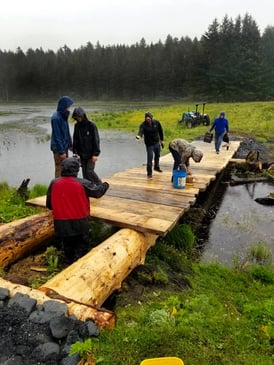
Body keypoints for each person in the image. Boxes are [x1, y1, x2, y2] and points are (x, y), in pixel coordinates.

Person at [46, 157, 109, 264]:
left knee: (68, 246)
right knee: (81, 246)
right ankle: (78, 264)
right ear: (76, 170)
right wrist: (105, 185)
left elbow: (49, 205)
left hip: (61, 224)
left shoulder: (54, 183)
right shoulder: (83, 183)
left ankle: (69, 262)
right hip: (80, 223)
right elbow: (98, 192)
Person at [72, 106, 102, 185]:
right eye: (76, 117)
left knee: (90, 171)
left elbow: (96, 139)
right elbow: (75, 139)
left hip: (91, 153)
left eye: (79, 117)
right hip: (81, 154)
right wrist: (75, 152)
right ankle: (89, 188)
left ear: (83, 115)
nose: (78, 119)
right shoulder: (77, 126)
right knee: (84, 173)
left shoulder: (91, 125)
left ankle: (100, 185)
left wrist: (96, 154)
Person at [50, 96, 74, 177]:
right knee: (59, 168)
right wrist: (61, 151)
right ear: (64, 106)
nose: (69, 109)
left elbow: (67, 132)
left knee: (65, 168)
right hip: (58, 149)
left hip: (64, 147)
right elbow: (57, 136)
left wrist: (70, 145)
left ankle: (64, 187)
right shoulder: (55, 118)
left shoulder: (64, 116)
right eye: (68, 107)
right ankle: (56, 187)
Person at [136, 111, 164, 178]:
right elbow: (140, 131)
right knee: (150, 158)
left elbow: (161, 131)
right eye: (146, 118)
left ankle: (156, 167)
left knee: (157, 155)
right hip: (149, 144)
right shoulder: (143, 125)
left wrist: (162, 140)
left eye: (149, 118)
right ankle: (149, 173)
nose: (148, 120)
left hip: (156, 142)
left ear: (151, 118)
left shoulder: (156, 123)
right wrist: (138, 136)